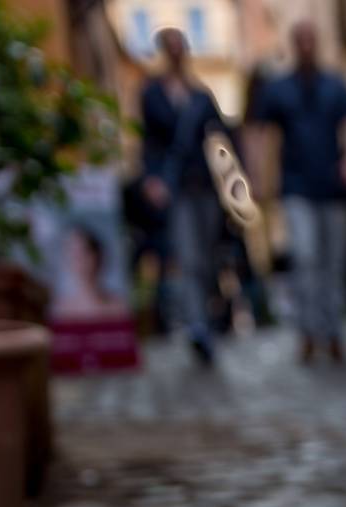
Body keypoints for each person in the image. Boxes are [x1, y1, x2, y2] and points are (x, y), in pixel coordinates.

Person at [253, 21, 346, 363]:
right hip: (296, 188)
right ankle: (308, 331)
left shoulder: (336, 85)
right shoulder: (279, 89)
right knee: (305, 257)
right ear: (293, 45)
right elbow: (259, 133)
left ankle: (333, 331)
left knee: (333, 262)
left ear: (317, 44)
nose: (305, 46)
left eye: (310, 40)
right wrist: (256, 177)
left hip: (333, 189)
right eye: (300, 40)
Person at [140, 28, 228, 366]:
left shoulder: (200, 96)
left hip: (204, 185)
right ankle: (198, 327)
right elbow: (148, 141)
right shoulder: (152, 94)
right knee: (189, 257)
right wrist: (151, 178)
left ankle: (204, 317)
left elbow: (221, 138)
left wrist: (236, 183)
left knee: (206, 258)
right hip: (175, 188)